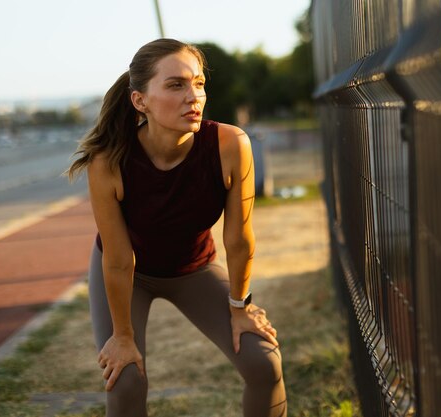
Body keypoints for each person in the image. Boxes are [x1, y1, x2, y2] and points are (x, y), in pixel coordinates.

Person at [67, 38, 287, 417]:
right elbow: (119, 260)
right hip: (127, 275)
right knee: (127, 379)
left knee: (263, 362)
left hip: (194, 269)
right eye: (176, 85)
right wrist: (122, 337)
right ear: (140, 101)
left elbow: (238, 240)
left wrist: (239, 307)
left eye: (199, 83)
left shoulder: (230, 144)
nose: (194, 97)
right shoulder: (108, 162)